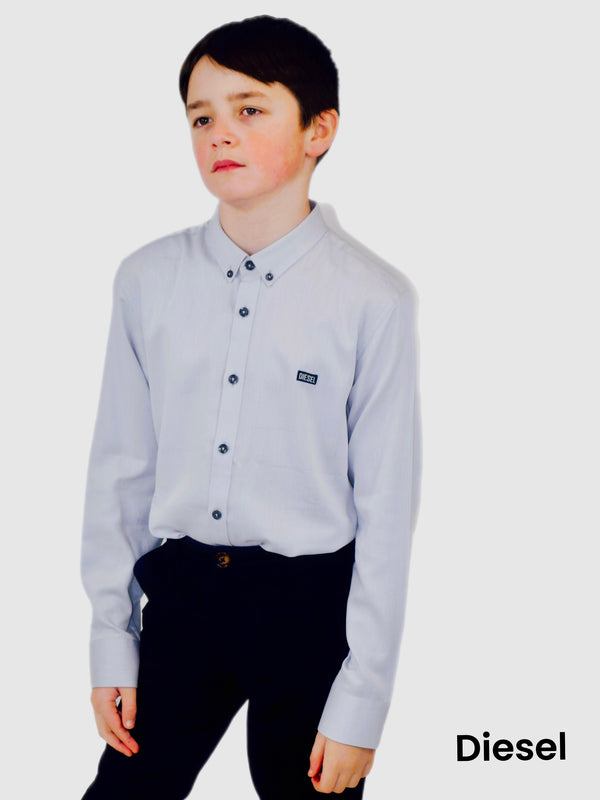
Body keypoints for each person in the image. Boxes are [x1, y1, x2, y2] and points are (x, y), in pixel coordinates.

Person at [80, 15, 421, 799]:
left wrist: (363, 702)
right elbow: (120, 467)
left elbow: (386, 507)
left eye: (250, 109)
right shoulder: (147, 280)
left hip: (309, 611)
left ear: (319, 130)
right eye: (201, 117)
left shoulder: (372, 298)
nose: (220, 133)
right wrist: (110, 639)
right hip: (183, 601)